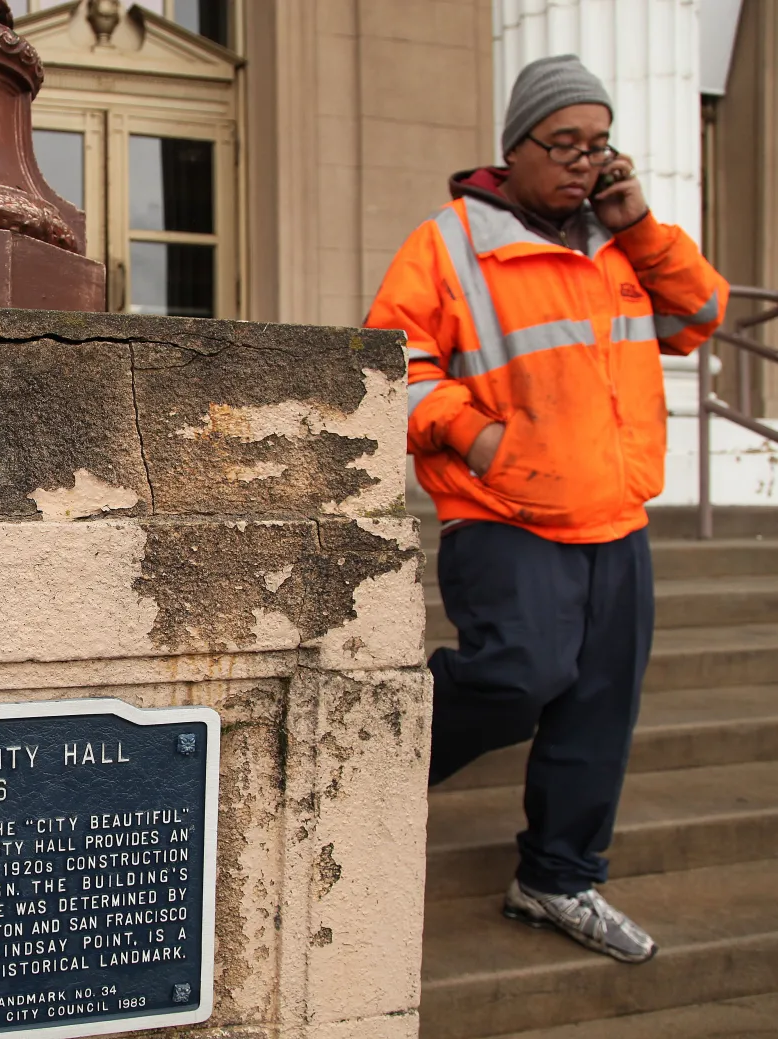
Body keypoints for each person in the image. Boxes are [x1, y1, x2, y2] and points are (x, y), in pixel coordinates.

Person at [365, 54, 728, 964]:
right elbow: (390, 362)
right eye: (562, 143)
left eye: (597, 145)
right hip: (504, 512)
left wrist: (639, 222)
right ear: (513, 149)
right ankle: (373, 766)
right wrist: (475, 435)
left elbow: (700, 316)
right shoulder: (450, 242)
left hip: (616, 517)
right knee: (518, 675)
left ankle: (557, 878)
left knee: (598, 707)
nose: (581, 161)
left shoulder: (620, 243)